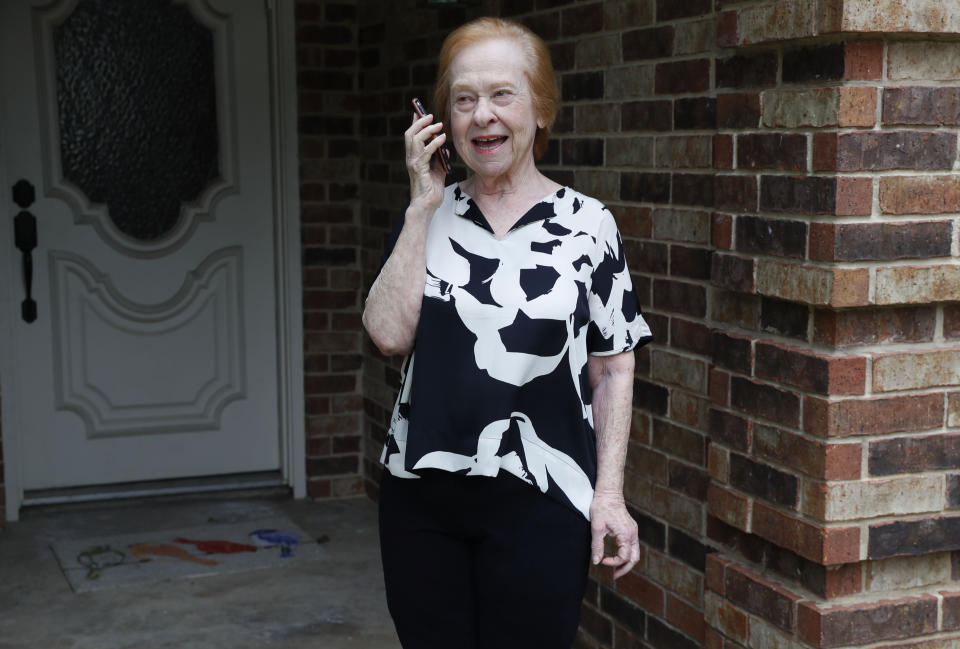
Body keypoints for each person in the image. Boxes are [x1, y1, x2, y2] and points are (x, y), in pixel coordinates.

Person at [362, 16, 652, 649]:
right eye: (463, 100)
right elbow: (387, 335)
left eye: (501, 95)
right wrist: (420, 206)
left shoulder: (588, 226)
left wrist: (609, 497)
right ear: (442, 121)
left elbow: (612, 367)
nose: (481, 116)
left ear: (540, 110)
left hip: (543, 495)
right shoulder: (428, 215)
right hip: (423, 497)